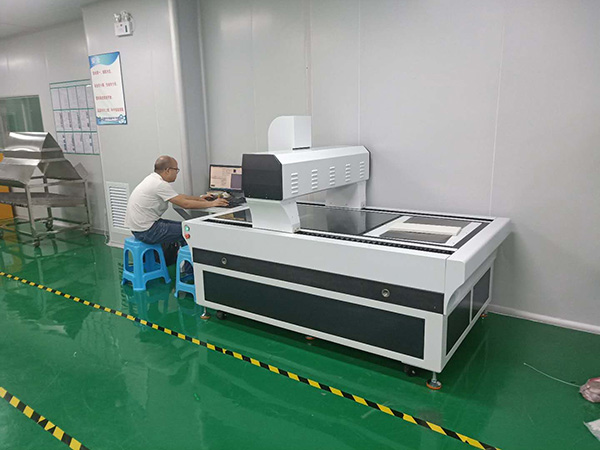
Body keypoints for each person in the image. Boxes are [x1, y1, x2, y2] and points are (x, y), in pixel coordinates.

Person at [125, 155, 228, 272]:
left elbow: (179, 197)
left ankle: (186, 266)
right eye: (176, 170)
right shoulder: (159, 184)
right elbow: (185, 204)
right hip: (148, 231)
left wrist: (200, 198)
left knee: (185, 227)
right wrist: (212, 203)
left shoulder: (152, 179)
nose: (177, 173)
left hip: (139, 228)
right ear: (168, 170)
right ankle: (190, 271)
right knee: (190, 231)